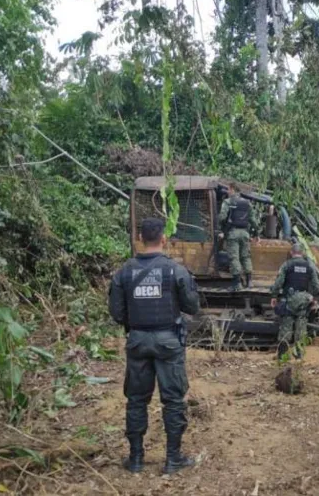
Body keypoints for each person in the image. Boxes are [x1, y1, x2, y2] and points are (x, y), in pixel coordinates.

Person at [108, 217, 201, 475]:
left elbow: (116, 312)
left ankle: (136, 459)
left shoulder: (124, 272)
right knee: (172, 400)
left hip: (137, 340)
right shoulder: (175, 270)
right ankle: (173, 459)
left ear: (140, 239)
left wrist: (136, 323)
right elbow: (193, 306)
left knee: (136, 400)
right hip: (168, 341)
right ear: (163, 239)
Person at [270, 243, 319, 360]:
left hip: (289, 300)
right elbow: (316, 285)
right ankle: (299, 356)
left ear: (291, 253)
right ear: (302, 253)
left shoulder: (287, 265)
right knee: (301, 329)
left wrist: (274, 296)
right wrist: (316, 299)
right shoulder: (309, 266)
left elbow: (279, 282)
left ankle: (282, 356)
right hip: (303, 300)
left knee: (286, 329)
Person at [219, 183, 259, 291]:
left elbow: (222, 217)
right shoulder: (247, 203)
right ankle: (249, 281)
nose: (227, 192)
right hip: (245, 233)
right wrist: (256, 233)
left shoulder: (228, 202)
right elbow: (254, 221)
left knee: (234, 257)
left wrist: (222, 227)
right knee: (245, 256)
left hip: (233, 233)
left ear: (232, 189)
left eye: (228, 189)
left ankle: (237, 284)